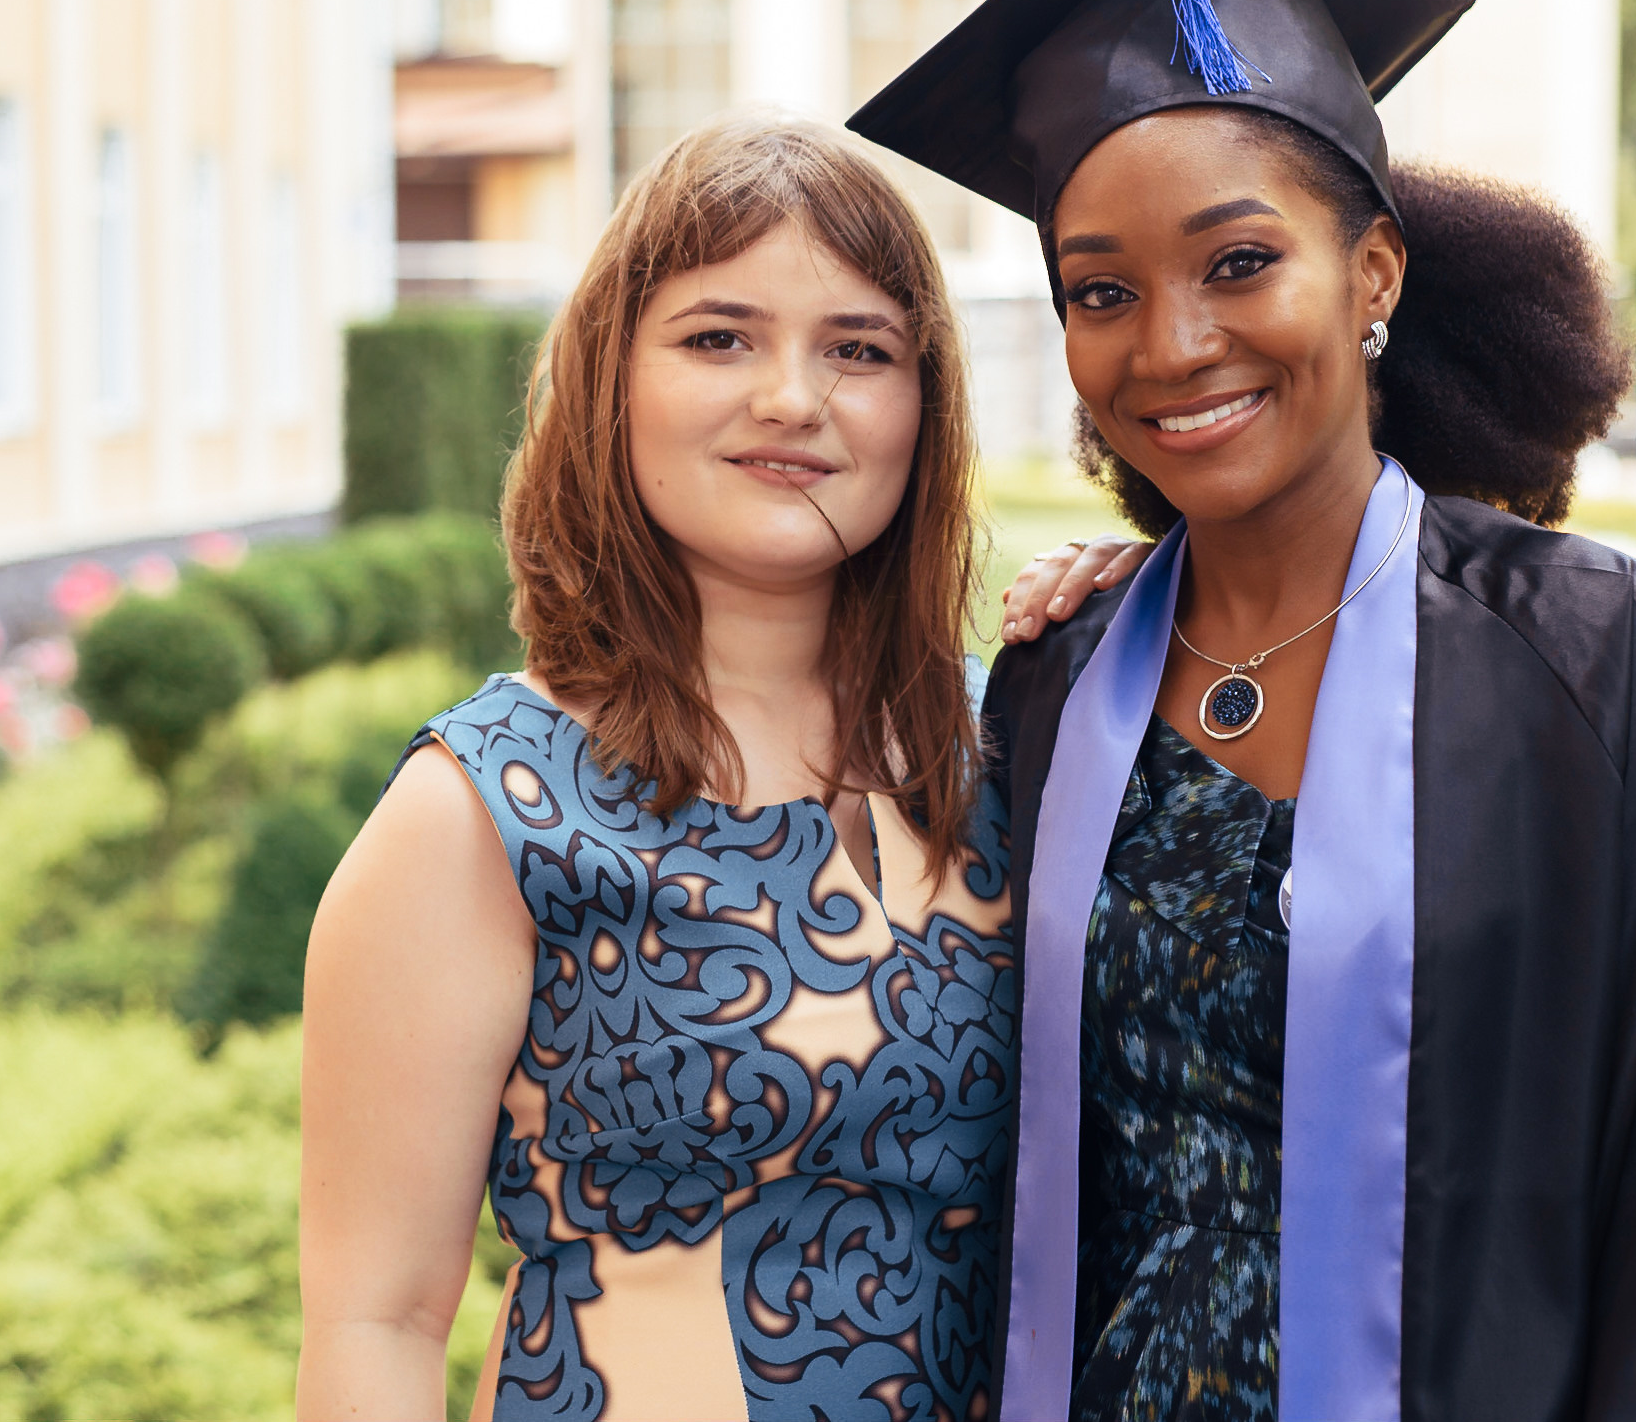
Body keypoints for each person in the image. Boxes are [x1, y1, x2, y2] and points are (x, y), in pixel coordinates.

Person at [852, 0, 1636, 1420]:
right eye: (1101, 290)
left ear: (1374, 271)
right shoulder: (1057, 683)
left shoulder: (1589, 663)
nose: (1170, 344)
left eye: (1239, 261)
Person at [296, 114, 1122, 1422]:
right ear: (614, 379)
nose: (792, 397)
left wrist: (1165, 608)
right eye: (719, 337)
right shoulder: (484, 811)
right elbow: (374, 1325)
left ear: (925, 404)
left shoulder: (1027, 748)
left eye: (859, 349)